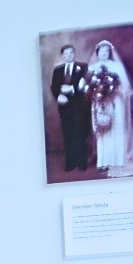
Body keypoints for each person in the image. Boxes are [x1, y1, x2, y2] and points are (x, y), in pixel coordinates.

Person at [86, 39, 133, 174]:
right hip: (100, 103)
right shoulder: (92, 68)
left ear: (110, 53)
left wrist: (113, 91)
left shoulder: (117, 66)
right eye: (101, 51)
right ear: (97, 52)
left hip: (116, 102)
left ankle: (118, 160)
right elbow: (88, 86)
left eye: (107, 51)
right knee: (102, 129)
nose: (104, 54)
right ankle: (103, 161)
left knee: (117, 127)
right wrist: (98, 93)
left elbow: (125, 86)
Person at [47, 43, 88, 173]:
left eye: (71, 53)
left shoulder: (83, 67)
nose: (69, 56)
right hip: (64, 107)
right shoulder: (57, 70)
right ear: (63, 56)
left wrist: (71, 89)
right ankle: (70, 162)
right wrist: (58, 96)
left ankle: (82, 162)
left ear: (74, 53)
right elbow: (54, 87)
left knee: (80, 133)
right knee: (68, 133)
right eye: (66, 54)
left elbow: (85, 84)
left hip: (79, 106)